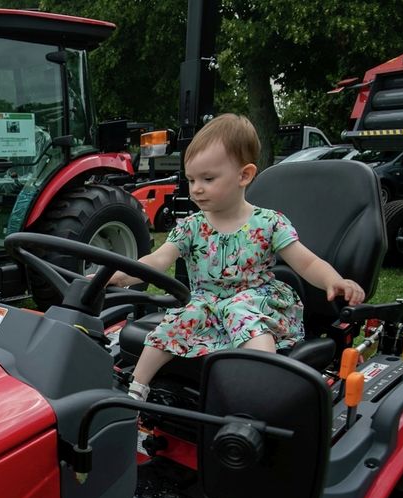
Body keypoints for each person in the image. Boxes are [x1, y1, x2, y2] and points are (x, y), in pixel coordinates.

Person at [109, 114, 365, 401]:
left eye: (208, 179)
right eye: (192, 179)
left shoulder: (269, 223)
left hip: (253, 300)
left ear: (244, 175)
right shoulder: (192, 226)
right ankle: (135, 390)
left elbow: (307, 262)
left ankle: (263, 391)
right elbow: (157, 261)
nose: (196, 189)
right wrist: (118, 274)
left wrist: (334, 280)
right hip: (208, 303)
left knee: (243, 314)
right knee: (174, 324)